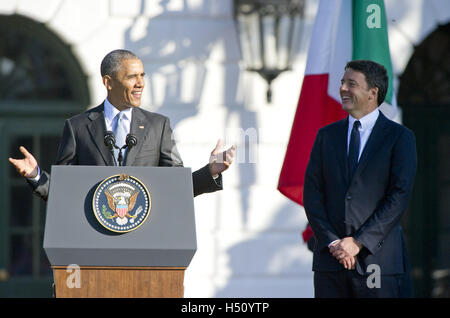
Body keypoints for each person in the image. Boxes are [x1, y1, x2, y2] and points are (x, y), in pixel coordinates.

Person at [9, 49, 235, 200]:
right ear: (108, 82)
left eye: (142, 76)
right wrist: (36, 175)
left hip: (145, 243)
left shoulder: (158, 126)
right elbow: (63, 192)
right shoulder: (78, 127)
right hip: (94, 244)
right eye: (132, 77)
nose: (141, 84)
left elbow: (175, 188)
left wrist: (210, 172)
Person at [303, 60, 417, 298]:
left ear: (372, 93)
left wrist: (359, 242)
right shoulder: (326, 136)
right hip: (330, 263)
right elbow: (312, 194)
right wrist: (333, 243)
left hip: (378, 262)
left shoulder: (400, 138)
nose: (343, 88)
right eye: (342, 82)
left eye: (351, 83)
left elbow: (398, 196)